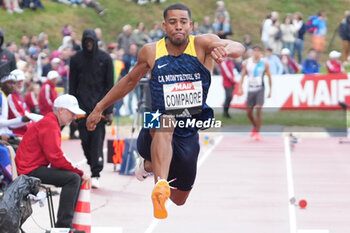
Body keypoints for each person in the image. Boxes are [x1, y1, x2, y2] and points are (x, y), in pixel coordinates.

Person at [86, 3, 244, 219]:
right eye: (172, 22)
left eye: (183, 22)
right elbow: (129, 81)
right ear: (164, 26)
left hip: (189, 127)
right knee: (164, 121)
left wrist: (225, 49)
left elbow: (239, 47)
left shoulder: (203, 44)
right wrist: (99, 107)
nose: (178, 26)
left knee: (179, 199)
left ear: (191, 25)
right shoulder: (151, 51)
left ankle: (150, 165)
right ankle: (160, 184)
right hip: (156, 122)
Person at [15, 94, 89, 232]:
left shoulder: (50, 122)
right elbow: (56, 157)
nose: (74, 117)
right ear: (61, 110)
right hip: (29, 170)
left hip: (31, 167)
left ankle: (65, 225)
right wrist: (79, 172)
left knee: (74, 177)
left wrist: (75, 169)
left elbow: (56, 156)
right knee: (73, 178)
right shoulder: (50, 124)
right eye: (72, 113)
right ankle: (64, 226)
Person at [69, 29, 114, 189]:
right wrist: (71, 110)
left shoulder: (105, 59)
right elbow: (72, 86)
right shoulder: (75, 60)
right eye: (86, 41)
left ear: (95, 41)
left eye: (91, 41)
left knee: (96, 141)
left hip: (99, 108)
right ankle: (92, 164)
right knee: (85, 142)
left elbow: (110, 87)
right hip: (81, 108)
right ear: (82, 41)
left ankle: (96, 173)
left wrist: (109, 110)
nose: (88, 44)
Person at [238, 46, 272, 140]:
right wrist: (240, 87)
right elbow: (243, 75)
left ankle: (257, 131)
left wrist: (270, 91)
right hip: (250, 89)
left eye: (258, 51)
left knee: (258, 108)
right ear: (253, 52)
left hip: (260, 88)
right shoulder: (248, 62)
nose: (256, 53)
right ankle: (255, 125)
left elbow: (269, 76)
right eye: (255, 51)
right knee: (248, 112)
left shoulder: (264, 63)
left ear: (261, 53)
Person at [0, 73, 30, 141]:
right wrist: (21, 120)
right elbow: (1, 123)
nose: (13, 86)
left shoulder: (5, 97)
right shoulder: (0, 97)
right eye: (10, 83)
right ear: (1, 84)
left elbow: (9, 125)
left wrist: (24, 120)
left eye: (14, 83)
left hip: (5, 132)